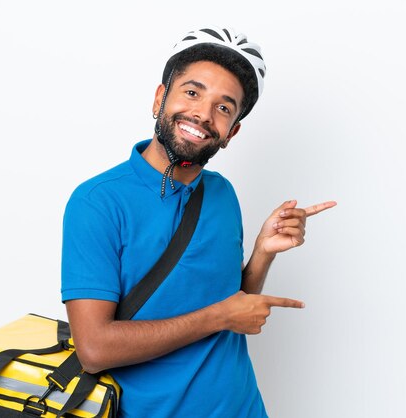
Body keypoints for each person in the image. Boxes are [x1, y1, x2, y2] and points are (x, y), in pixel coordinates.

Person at [61, 26, 336, 418]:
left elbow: (231, 304)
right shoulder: (97, 202)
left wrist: (263, 252)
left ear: (232, 132)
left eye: (224, 107)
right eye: (192, 92)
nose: (203, 114)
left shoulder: (222, 193)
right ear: (160, 99)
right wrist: (219, 316)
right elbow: (93, 349)